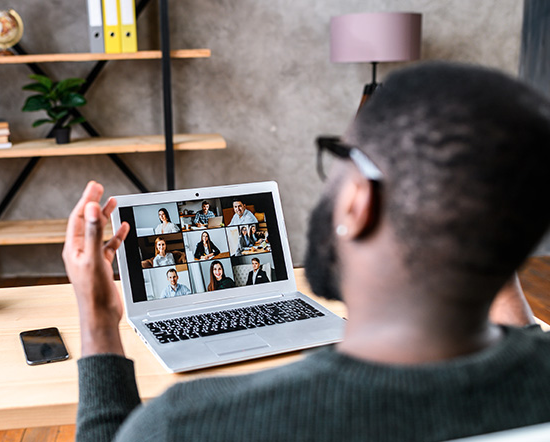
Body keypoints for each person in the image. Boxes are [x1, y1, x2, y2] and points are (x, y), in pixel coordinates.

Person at [63, 62, 550, 442]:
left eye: (342, 158)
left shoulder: (190, 426)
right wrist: (492, 243)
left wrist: (100, 318)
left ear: (360, 202)